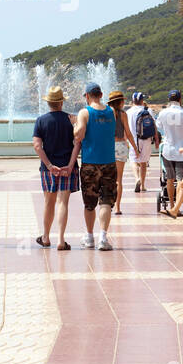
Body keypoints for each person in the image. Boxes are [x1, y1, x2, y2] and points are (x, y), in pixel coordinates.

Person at [66, 82, 117, 251]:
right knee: (106, 201)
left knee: (89, 203)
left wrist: (74, 126)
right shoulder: (112, 112)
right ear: (101, 94)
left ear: (87, 96)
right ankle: (103, 236)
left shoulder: (84, 112)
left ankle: (89, 237)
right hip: (109, 162)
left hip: (90, 164)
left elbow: (79, 135)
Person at [32, 86, 78, 249]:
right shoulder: (72, 120)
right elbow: (77, 143)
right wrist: (71, 164)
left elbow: (37, 146)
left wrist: (50, 165)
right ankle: (60, 239)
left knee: (48, 202)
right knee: (63, 203)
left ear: (49, 103)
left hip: (48, 169)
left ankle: (45, 237)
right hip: (68, 167)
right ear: (61, 102)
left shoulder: (41, 121)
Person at [156, 90, 183, 206]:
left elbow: (159, 126)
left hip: (168, 150)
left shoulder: (163, 113)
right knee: (181, 180)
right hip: (182, 151)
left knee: (169, 179)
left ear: (169, 100)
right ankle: (177, 206)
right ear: (180, 100)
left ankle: (171, 204)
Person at [106, 91, 137, 215]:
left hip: (109, 147)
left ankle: (107, 206)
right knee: (119, 179)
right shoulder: (123, 114)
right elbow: (128, 134)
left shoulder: (106, 114)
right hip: (121, 146)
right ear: (119, 102)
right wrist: (135, 148)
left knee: (108, 179)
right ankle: (118, 207)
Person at [126, 92, 158, 193]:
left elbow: (126, 128)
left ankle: (137, 178)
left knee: (133, 160)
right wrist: (156, 140)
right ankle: (143, 185)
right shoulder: (148, 110)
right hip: (147, 139)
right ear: (142, 100)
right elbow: (154, 126)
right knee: (143, 162)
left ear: (133, 101)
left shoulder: (128, 112)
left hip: (134, 140)